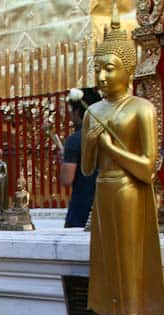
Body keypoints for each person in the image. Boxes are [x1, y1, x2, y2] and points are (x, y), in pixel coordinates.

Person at [81, 11, 164, 315]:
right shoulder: (93, 112)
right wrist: (91, 143)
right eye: (98, 68)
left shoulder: (141, 109)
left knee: (130, 261)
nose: (101, 76)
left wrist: (110, 148)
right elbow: (87, 168)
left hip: (131, 191)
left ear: (129, 69)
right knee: (108, 262)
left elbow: (147, 168)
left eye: (109, 68)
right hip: (103, 190)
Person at [61, 88, 100, 228]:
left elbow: (67, 179)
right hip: (110, 204)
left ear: (78, 112)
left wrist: (64, 159)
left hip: (82, 208)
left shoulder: (75, 140)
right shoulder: (110, 135)